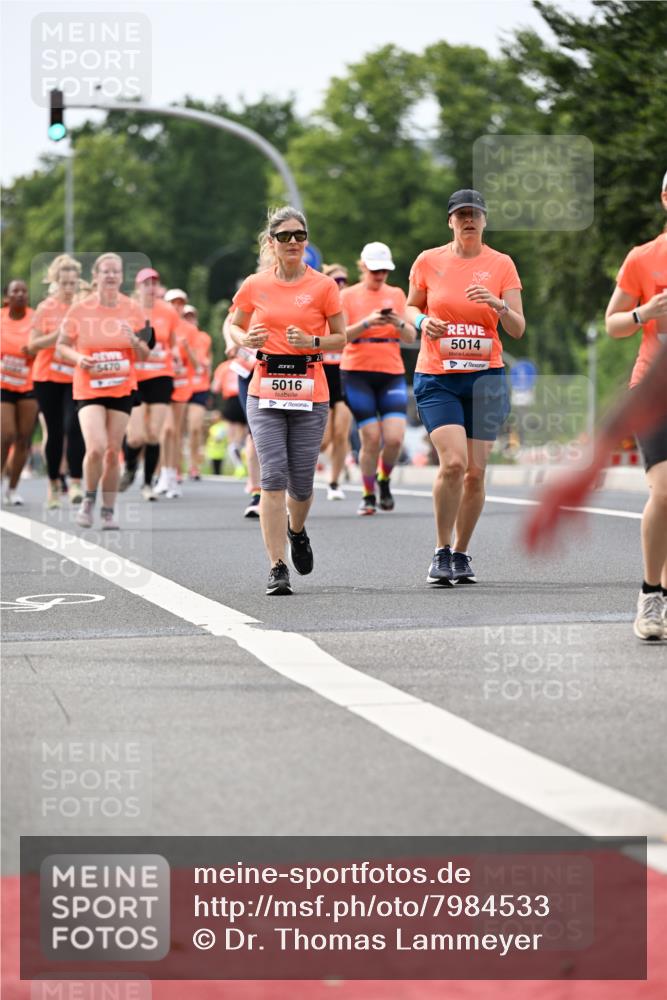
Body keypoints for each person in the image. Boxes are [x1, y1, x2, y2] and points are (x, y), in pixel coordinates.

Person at [529, 174, 667, 640]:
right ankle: (651, 594)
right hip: (654, 392)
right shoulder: (643, 259)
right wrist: (642, 315)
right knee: (665, 492)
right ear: (665, 198)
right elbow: (612, 324)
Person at [406, 189, 525, 585]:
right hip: (437, 376)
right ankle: (441, 550)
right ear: (450, 221)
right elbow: (410, 307)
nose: (468, 220)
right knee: (453, 463)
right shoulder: (428, 260)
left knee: (476, 472)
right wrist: (423, 323)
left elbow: (517, 328)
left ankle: (461, 552)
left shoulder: (501, 264)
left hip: (485, 378)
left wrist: (498, 303)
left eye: (475, 214)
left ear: (485, 220)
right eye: (461, 215)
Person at [229, 205, 345, 595]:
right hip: (265, 388)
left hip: (311, 390)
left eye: (299, 235)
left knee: (302, 482)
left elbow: (341, 338)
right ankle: (277, 566)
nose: (292, 242)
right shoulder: (255, 284)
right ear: (271, 243)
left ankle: (297, 530)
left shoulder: (324, 286)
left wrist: (312, 342)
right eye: (284, 236)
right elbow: (232, 322)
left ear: (306, 241)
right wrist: (241, 339)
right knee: (272, 476)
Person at [56, 253, 150, 529]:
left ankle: (108, 510)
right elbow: (61, 345)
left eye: (116, 272)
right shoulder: (79, 309)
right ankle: (88, 500)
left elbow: (145, 353)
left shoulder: (133, 309)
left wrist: (132, 339)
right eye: (105, 271)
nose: (111, 276)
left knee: (112, 452)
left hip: (121, 386)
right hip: (89, 385)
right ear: (95, 276)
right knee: (95, 448)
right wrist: (78, 359)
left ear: (122, 277)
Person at [340, 243, 416, 515]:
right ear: (362, 267)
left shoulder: (396, 293)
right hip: (357, 371)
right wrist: (367, 323)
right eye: (375, 270)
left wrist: (397, 322)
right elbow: (340, 337)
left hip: (391, 371)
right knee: (371, 438)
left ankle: (383, 480)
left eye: (384, 270)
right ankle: (368, 492)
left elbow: (411, 337)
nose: (380, 274)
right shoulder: (347, 296)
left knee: (394, 439)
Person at [30, 255, 85, 508]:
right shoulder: (45, 308)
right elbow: (32, 345)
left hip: (75, 376)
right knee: (55, 431)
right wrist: (58, 334)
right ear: (55, 282)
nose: (69, 288)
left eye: (73, 283)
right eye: (64, 283)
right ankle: (53, 486)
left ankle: (75, 482)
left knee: (75, 426)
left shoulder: (84, 307)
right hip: (48, 376)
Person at [121, 267, 178, 501]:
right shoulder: (128, 311)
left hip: (161, 376)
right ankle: (130, 466)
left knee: (154, 433)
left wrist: (171, 353)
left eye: (154, 282)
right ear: (138, 286)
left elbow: (172, 342)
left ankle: (147, 484)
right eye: (146, 283)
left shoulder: (168, 312)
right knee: (135, 437)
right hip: (134, 376)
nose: (151, 287)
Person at [156, 288, 197, 498]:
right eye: (173, 303)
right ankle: (164, 474)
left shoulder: (190, 330)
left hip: (181, 383)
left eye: (180, 303)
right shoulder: (160, 323)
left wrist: (186, 350)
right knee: (165, 431)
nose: (177, 307)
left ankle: (173, 476)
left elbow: (198, 365)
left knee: (175, 430)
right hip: (162, 379)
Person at [222, 306, 262, 517]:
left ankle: (281, 491)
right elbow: (230, 321)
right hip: (249, 369)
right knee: (255, 430)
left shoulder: (296, 291)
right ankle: (256, 493)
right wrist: (231, 343)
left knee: (284, 429)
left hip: (282, 369)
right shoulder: (252, 290)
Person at [1, 279, 38, 505]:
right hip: (3, 384)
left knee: (24, 439)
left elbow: (45, 345)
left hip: (29, 384)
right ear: (7, 297)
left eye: (24, 291)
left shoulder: (35, 319)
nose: (21, 294)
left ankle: (13, 489)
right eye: (15, 291)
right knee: (5, 436)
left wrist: (34, 349)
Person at [320, 263, 353, 500]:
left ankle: (334, 481)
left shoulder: (351, 304)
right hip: (322, 371)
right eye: (336, 282)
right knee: (323, 440)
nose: (340, 286)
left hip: (346, 370)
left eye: (344, 281)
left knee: (342, 432)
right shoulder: (318, 303)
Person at [184, 304, 212, 480]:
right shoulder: (177, 337)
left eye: (192, 317)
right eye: (186, 318)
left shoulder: (204, 338)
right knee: (176, 430)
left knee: (195, 428)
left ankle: (193, 465)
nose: (190, 321)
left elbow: (207, 361)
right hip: (180, 386)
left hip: (199, 386)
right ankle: (172, 467)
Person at [211, 357, 247, 474]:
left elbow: (215, 388)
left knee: (232, 436)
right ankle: (243, 458)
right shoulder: (246, 361)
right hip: (246, 398)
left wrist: (216, 408)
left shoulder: (223, 367)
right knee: (244, 434)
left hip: (231, 400)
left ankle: (239, 465)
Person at [205, 409, 228, 475]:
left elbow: (219, 438)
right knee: (214, 471)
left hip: (220, 452)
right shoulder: (212, 427)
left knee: (217, 471)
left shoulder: (223, 425)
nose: (213, 417)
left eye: (215, 415)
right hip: (212, 452)